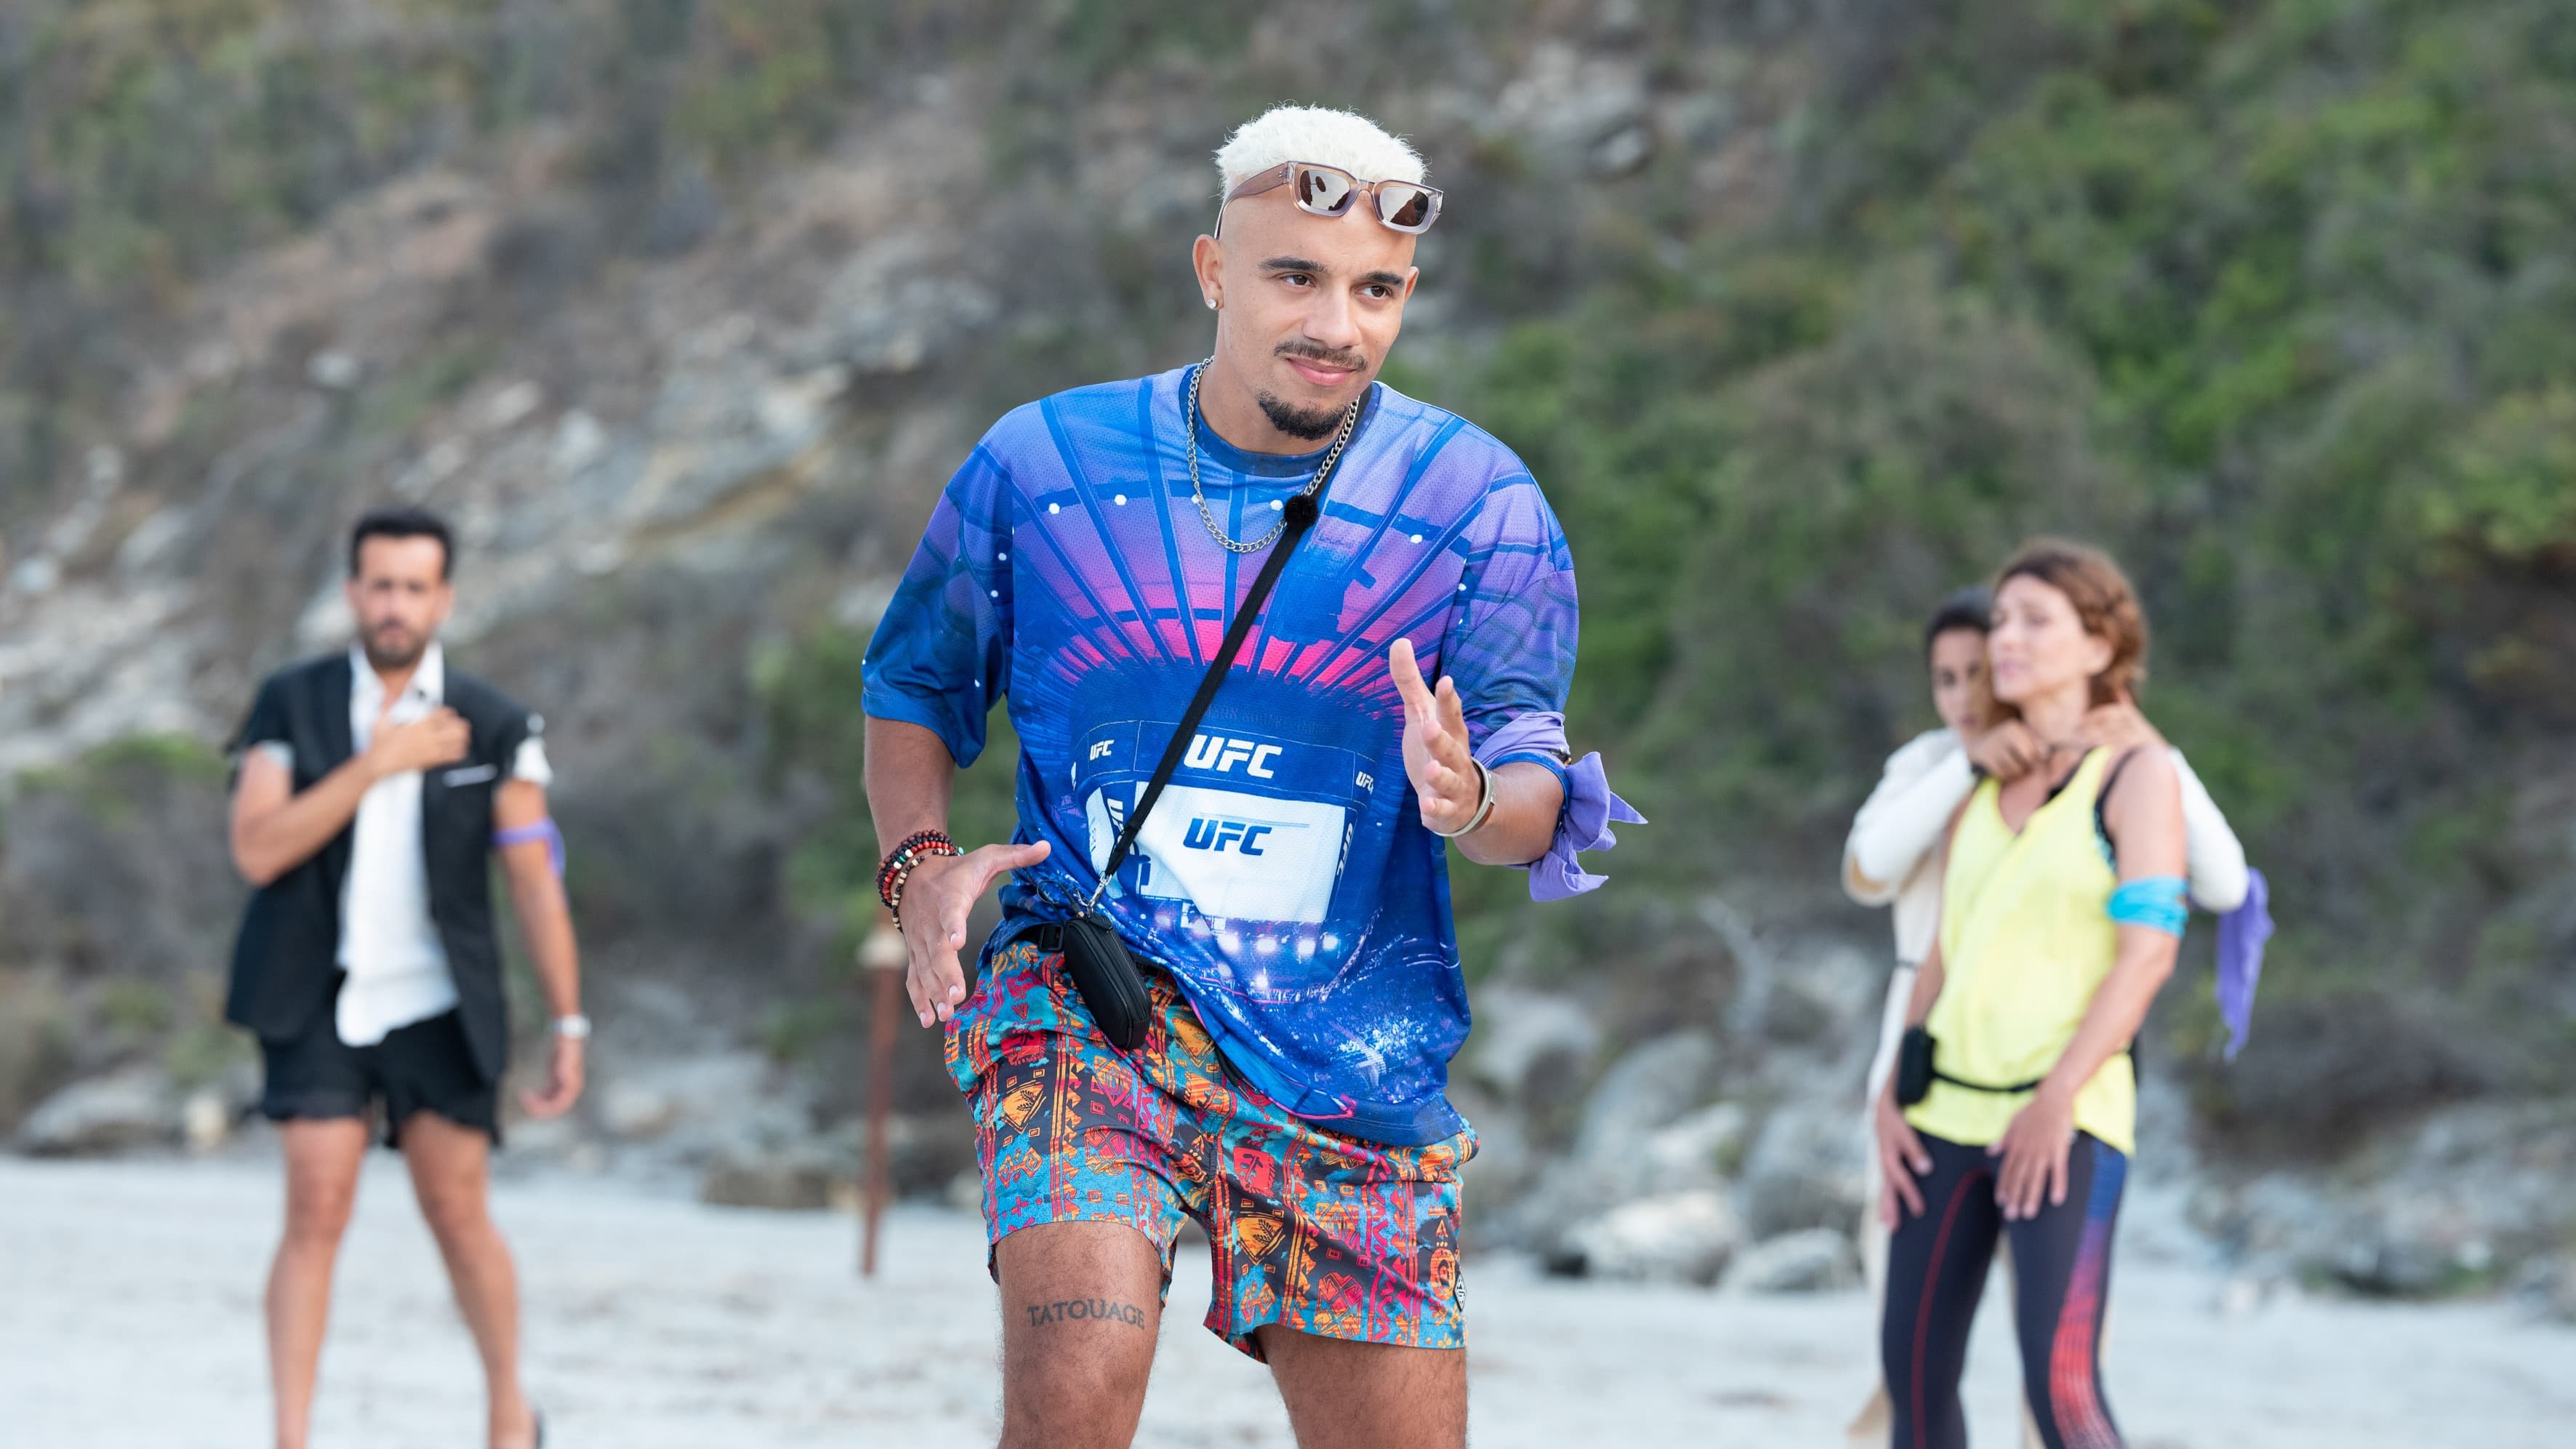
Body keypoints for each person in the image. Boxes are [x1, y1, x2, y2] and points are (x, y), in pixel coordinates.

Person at [859, 105, 1633, 1449]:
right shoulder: (1044, 466)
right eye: (1295, 277)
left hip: (1351, 1052)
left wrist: (1465, 798)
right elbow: (915, 684)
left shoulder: (1476, 506)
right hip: (1091, 1004)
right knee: (1075, 1392)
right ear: (1214, 270)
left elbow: (1528, 798)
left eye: (1376, 290)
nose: (1337, 324)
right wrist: (919, 866)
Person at [1841, 588, 2247, 1445]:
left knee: (2057, 1386)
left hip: (2063, 1100)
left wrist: (2143, 740)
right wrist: (1968, 761)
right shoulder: (1941, 767)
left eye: (1983, 666)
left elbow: (2210, 894)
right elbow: (1884, 884)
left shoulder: (2129, 768)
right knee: (1910, 1376)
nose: (1966, 691)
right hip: (1934, 1091)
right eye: (1946, 676)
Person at [225, 507, 583, 1449]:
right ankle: (290, 1437)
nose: (395, 605)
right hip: (315, 993)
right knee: (315, 1204)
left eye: (413, 587)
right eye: (380, 585)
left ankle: (509, 1414)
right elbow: (257, 849)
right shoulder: (290, 703)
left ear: (443, 598)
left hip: (440, 1002)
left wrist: (568, 1021)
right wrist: (376, 764)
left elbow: (533, 882)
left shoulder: (496, 724)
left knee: (457, 1212)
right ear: (353, 593)